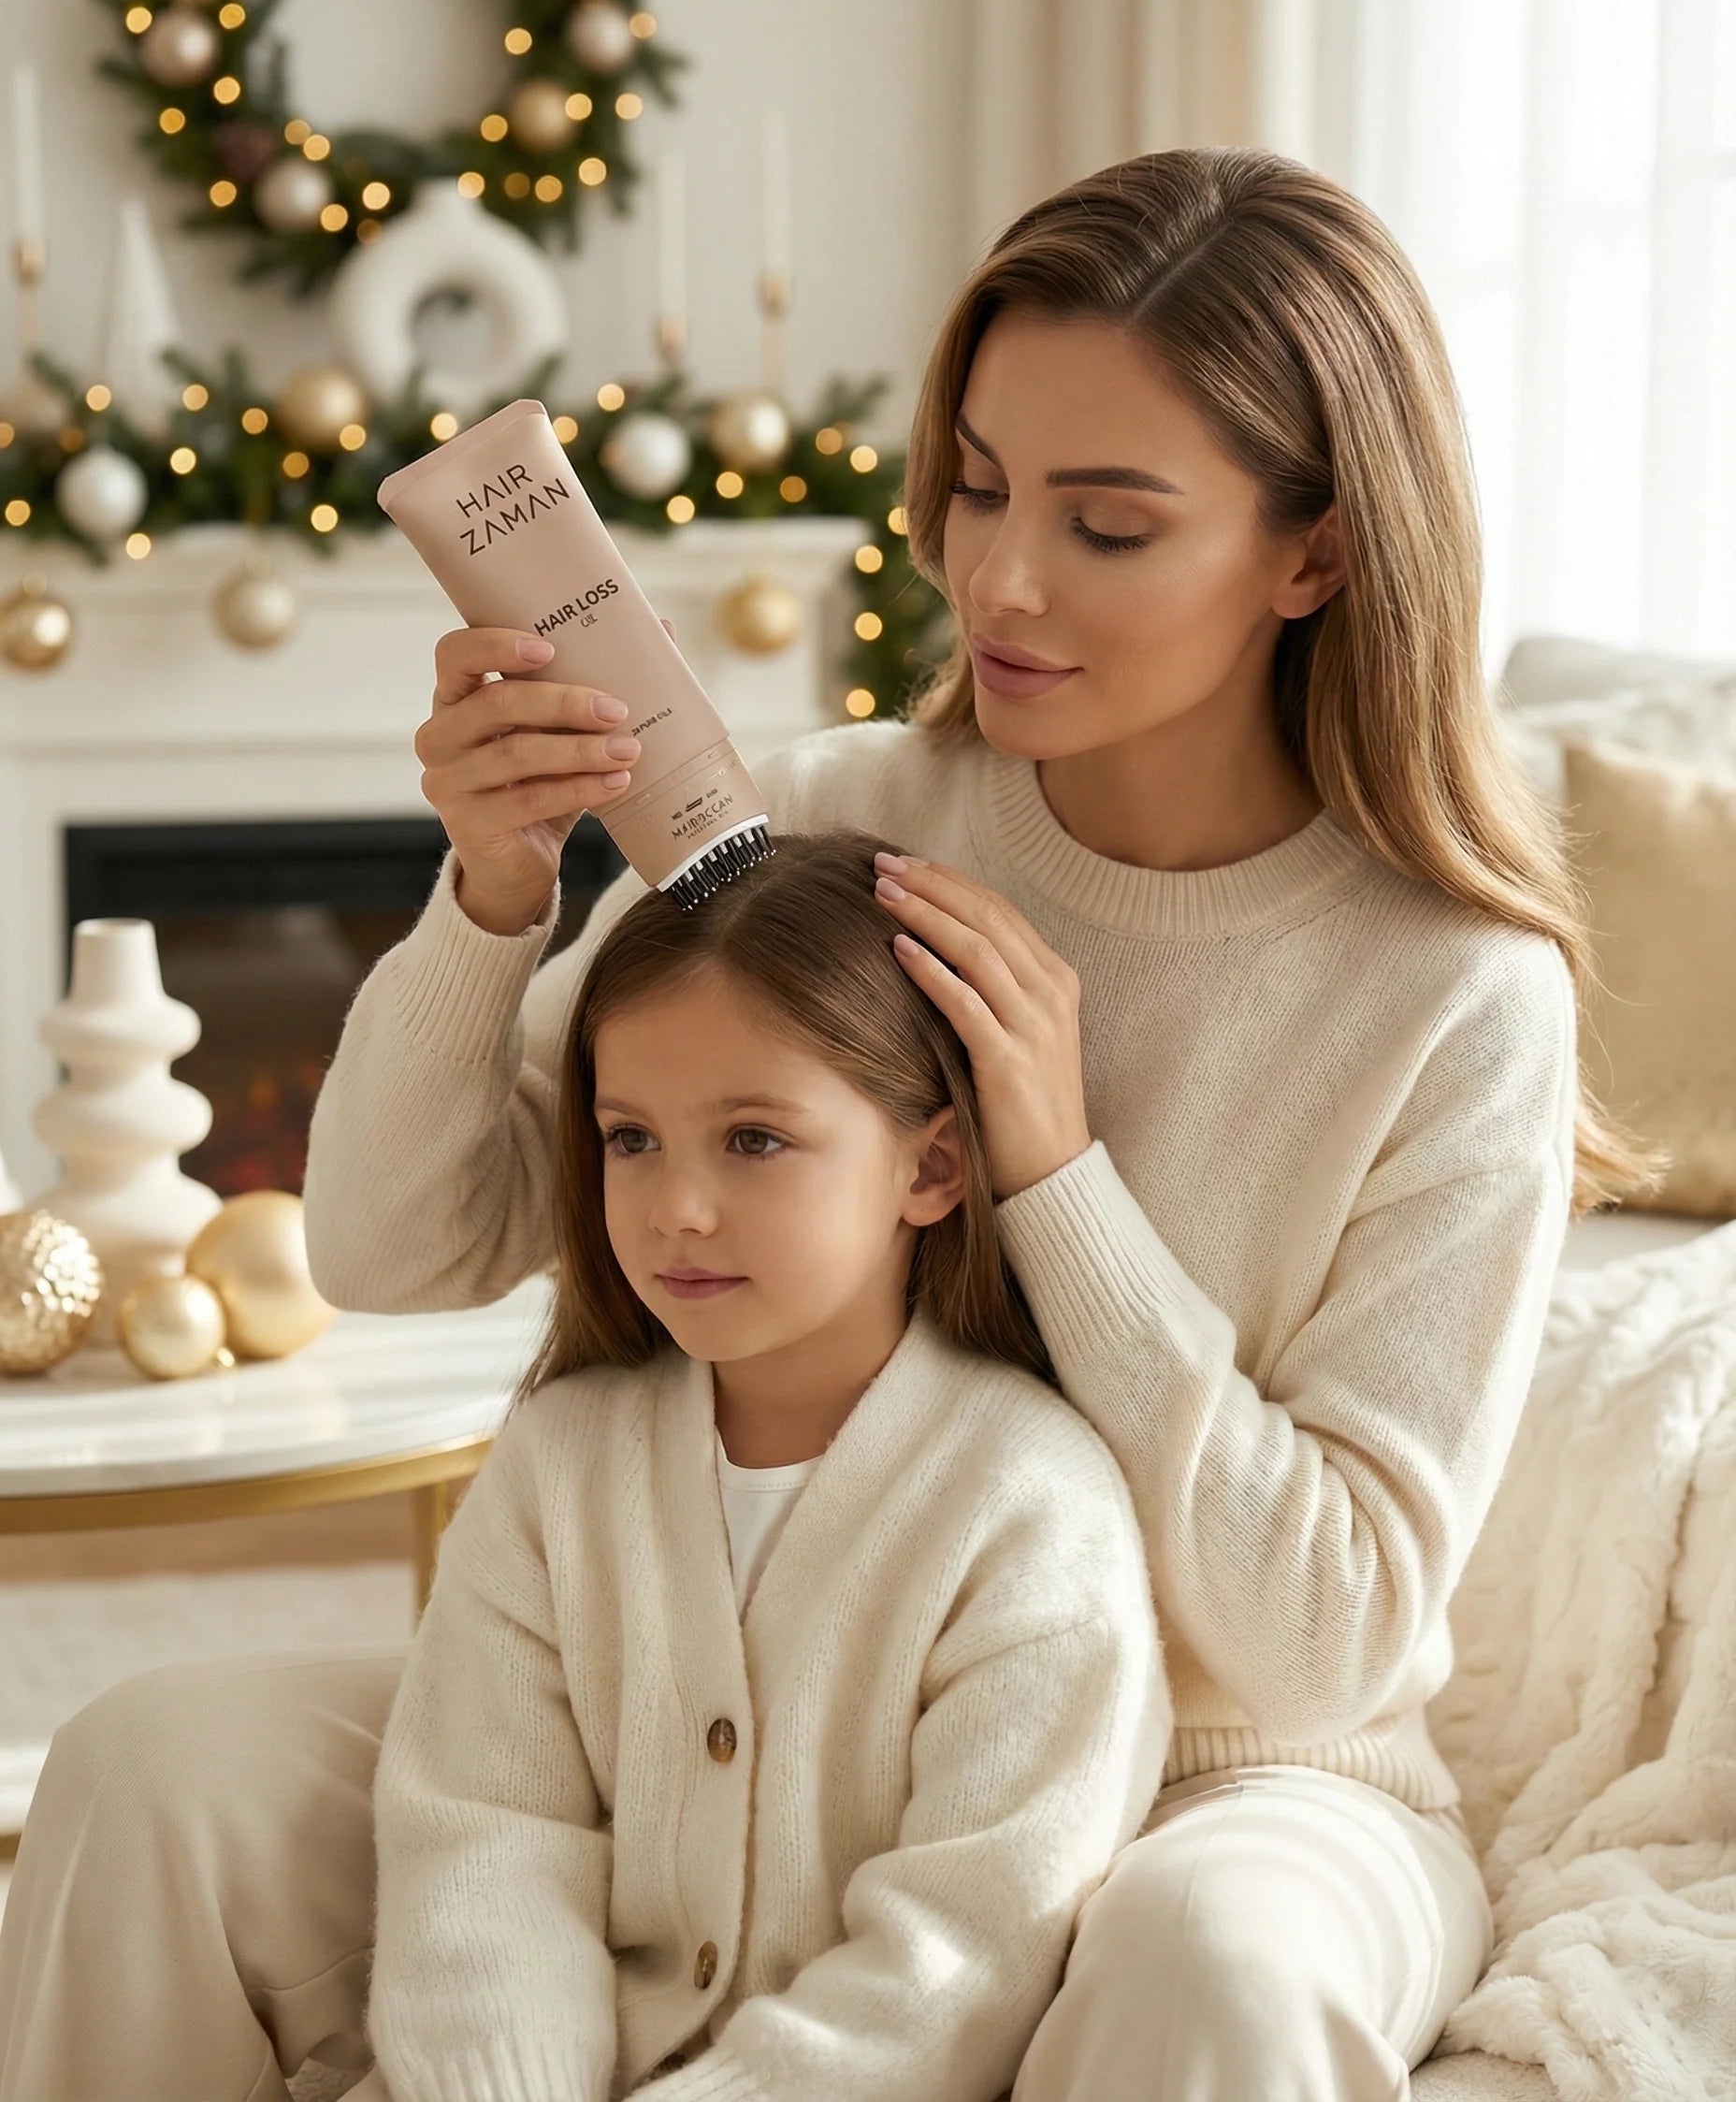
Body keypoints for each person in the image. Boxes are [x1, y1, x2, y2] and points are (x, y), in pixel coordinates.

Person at [0, 145, 1660, 2102]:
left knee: (1214, 1964)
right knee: (153, 1767)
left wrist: (1056, 1179)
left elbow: (1325, 1640)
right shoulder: (819, 813)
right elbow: (391, 1247)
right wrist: (490, 896)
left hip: (1234, 1785)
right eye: (978, 484)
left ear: (1314, 555)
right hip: (716, 1717)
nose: (999, 578)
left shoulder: (1453, 991)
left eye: (1107, 525)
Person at [349, 831, 1165, 2102]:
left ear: (930, 1166)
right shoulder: (559, 1467)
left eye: (753, 1141)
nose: (676, 1208)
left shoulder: (1029, 1508)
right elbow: (484, 1848)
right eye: (631, 1140)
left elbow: (967, 1950)